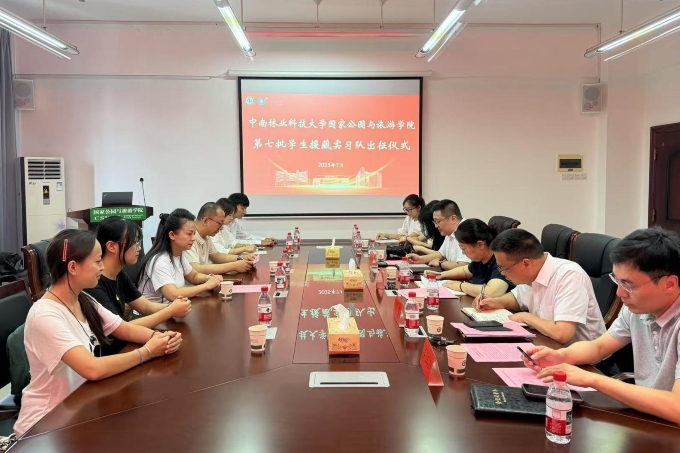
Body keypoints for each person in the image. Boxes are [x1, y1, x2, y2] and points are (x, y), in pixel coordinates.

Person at [12, 229, 182, 438]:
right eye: (97, 261)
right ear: (73, 267)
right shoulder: (45, 315)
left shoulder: (83, 300)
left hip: (79, 410)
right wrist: (147, 352)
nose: (102, 267)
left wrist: (161, 338)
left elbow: (125, 329)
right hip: (45, 425)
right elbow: (91, 368)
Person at [522, 228, 680, 424]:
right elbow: (599, 347)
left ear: (669, 284)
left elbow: (677, 407)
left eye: (629, 285)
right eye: (617, 281)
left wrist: (593, 379)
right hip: (648, 416)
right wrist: (560, 356)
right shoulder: (636, 309)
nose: (620, 293)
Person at [474, 228, 606, 346]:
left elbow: (562, 333)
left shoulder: (569, 276)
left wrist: (527, 317)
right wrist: (496, 302)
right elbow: (517, 298)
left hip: (586, 359)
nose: (502, 273)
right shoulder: (532, 272)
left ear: (526, 264)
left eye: (504, 268)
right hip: (547, 345)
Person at [86, 217, 192, 356]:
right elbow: (120, 330)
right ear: (111, 246)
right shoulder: (93, 283)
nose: (140, 248)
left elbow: (146, 306)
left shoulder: (119, 275)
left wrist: (175, 307)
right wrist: (170, 311)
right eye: (135, 242)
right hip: (109, 355)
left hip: (125, 346)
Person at [137, 209, 223, 303]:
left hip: (174, 307)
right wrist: (206, 286)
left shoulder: (178, 255)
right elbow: (173, 294)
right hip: (157, 311)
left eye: (194, 233)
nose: (193, 238)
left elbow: (193, 276)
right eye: (189, 234)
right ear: (172, 235)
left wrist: (209, 278)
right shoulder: (160, 261)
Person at [425, 219, 513, 298]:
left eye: (464, 248)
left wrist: (460, 286)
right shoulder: (480, 259)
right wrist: (440, 275)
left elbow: (492, 292)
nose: (463, 253)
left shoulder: (500, 260)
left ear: (480, 244)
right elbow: (465, 270)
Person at [184, 202, 256, 275]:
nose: (221, 228)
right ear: (206, 221)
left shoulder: (206, 236)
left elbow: (216, 256)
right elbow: (196, 268)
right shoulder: (189, 237)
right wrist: (234, 266)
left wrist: (241, 258)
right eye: (219, 223)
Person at [405, 199, 471, 270]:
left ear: (453, 219)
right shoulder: (450, 231)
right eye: (435, 222)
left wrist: (440, 263)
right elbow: (440, 254)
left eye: (438, 221)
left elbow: (463, 266)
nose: (436, 226)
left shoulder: (467, 232)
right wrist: (420, 259)